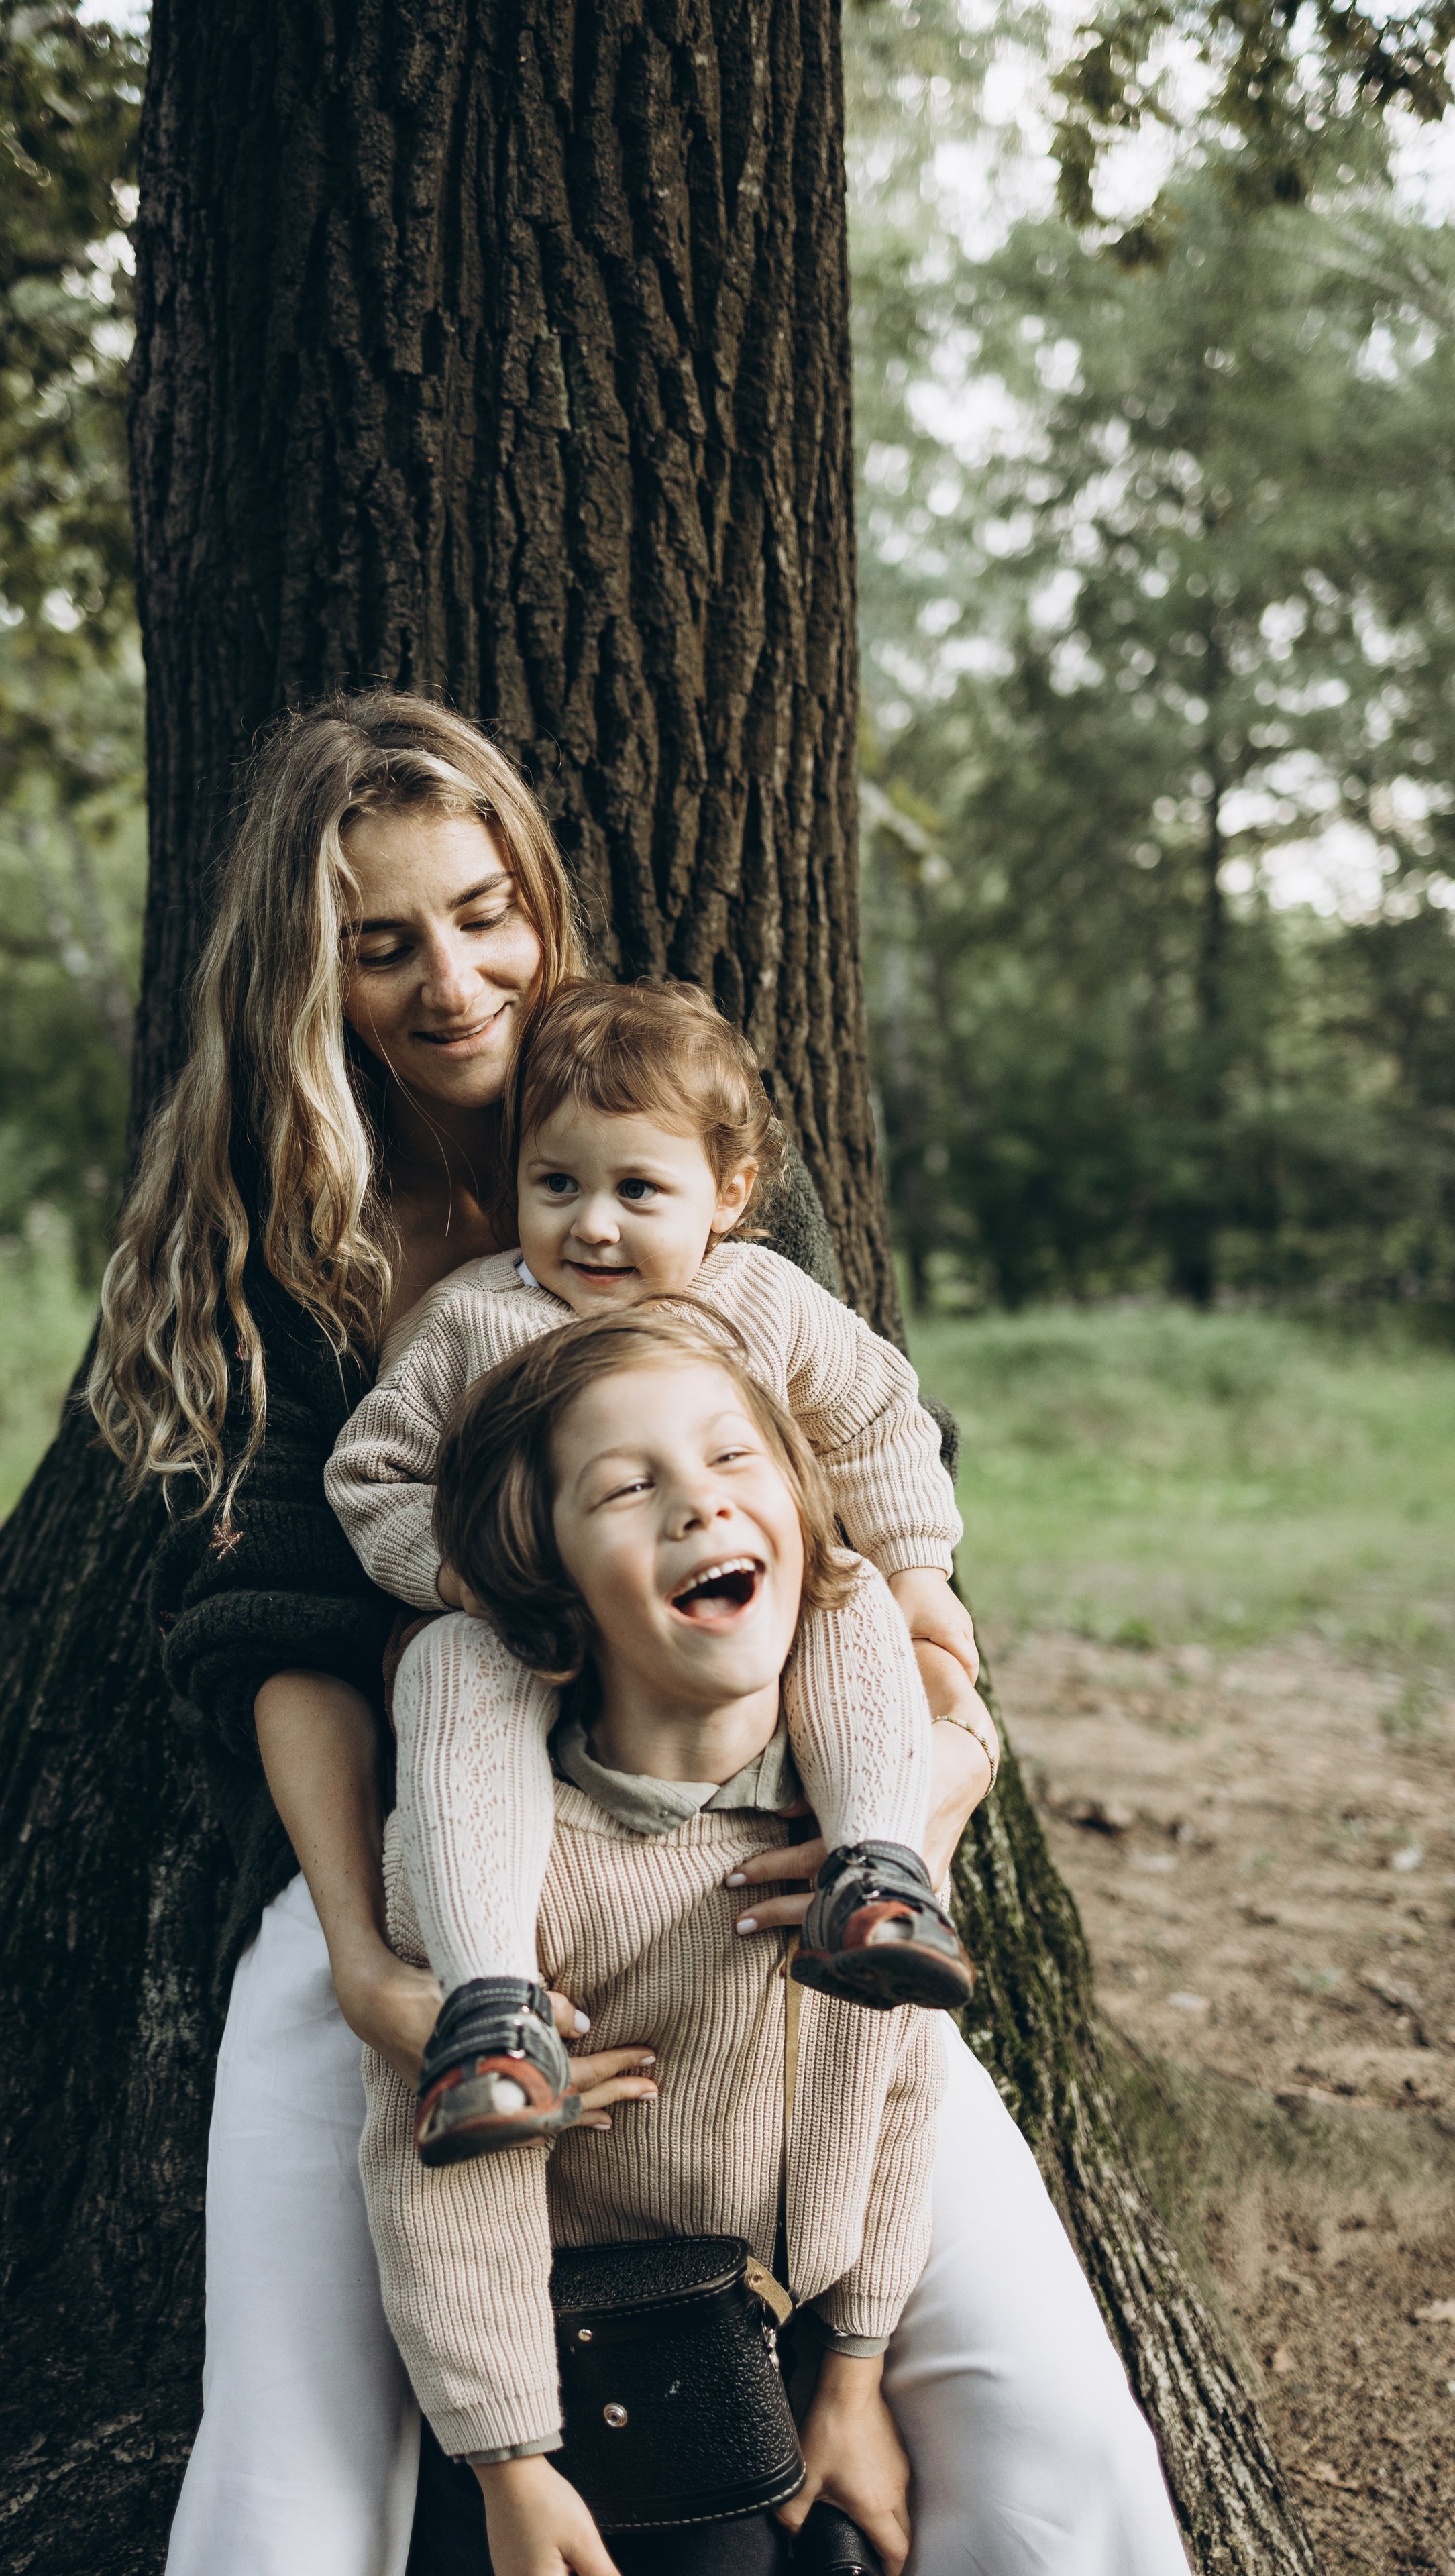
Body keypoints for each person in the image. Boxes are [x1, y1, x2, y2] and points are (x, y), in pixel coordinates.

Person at [88, 688, 1189, 2575]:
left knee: (1039, 2400)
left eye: (485, 909)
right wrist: (364, 1954)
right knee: (297, 2432)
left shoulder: (665, 1112)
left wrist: (928, 1774)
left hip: (761, 1826)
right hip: (444, 1849)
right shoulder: (305, 1241)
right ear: (312, 976)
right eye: (385, 944)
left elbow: (834, 1487)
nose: (455, 979)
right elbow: (276, 1627)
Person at [326, 977, 991, 2167]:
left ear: (728, 1196)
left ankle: (875, 1872)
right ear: (515, 1177)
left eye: (639, 1190)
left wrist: (919, 1568)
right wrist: (468, 1577)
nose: (592, 1227)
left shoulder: (762, 1303)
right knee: (446, 1659)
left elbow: (879, 1420)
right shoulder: (472, 1323)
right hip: (541, 1639)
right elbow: (372, 1475)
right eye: (557, 1186)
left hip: (719, 1656)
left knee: (843, 1592)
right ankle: (489, 2006)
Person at [363, 1309, 941, 2576]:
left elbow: (900, 2096)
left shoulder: (855, 1848)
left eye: (735, 1462)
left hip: (807, 2346)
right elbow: (446, 2187)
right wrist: (514, 2467)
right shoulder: (514, 1871)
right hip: (584, 2371)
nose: (697, 1505)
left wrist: (854, 2377)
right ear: (544, 1567)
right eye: (628, 1487)